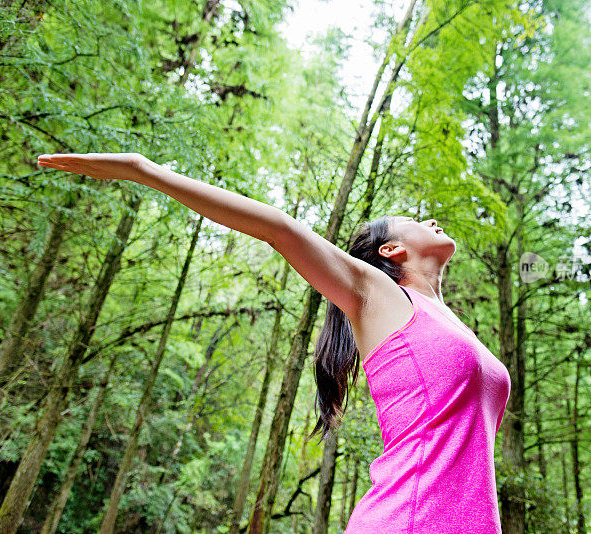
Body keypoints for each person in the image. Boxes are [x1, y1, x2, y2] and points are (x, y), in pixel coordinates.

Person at [36, 152, 512, 533]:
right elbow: (277, 228)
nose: (430, 220)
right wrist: (145, 170)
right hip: (408, 520)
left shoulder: (452, 324)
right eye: (414, 219)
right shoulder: (379, 294)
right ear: (391, 250)